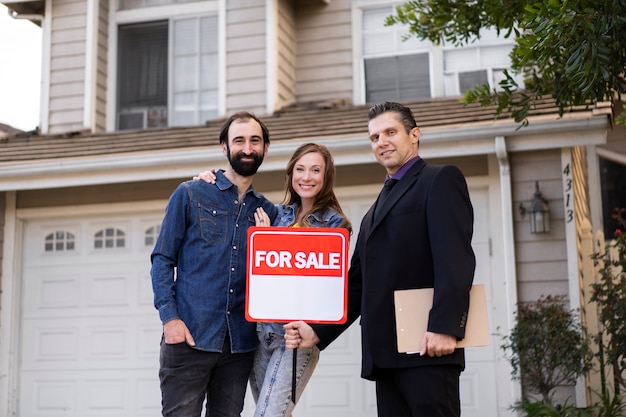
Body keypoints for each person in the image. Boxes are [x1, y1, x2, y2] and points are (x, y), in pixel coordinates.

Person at [284, 102, 476, 417]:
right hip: (385, 354)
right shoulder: (376, 207)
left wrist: (445, 326)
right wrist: (319, 330)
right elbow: (358, 282)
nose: (381, 142)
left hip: (427, 346)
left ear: (414, 135)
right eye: (374, 137)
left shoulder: (439, 180)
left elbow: (454, 259)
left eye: (390, 132)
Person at [196, 142, 352, 417]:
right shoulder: (278, 214)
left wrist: (312, 326)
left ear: (326, 176)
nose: (307, 177)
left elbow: (329, 288)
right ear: (291, 174)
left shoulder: (334, 224)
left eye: (316, 170)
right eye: (300, 169)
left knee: (268, 414)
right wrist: (208, 179)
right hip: (260, 333)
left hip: (294, 338)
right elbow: (263, 266)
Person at [150, 111, 278, 417]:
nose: (247, 148)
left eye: (255, 141)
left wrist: (270, 237)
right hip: (189, 338)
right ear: (224, 148)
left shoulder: (267, 212)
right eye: (239, 141)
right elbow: (162, 259)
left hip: (239, 347)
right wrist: (170, 320)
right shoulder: (191, 193)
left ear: (265, 149)